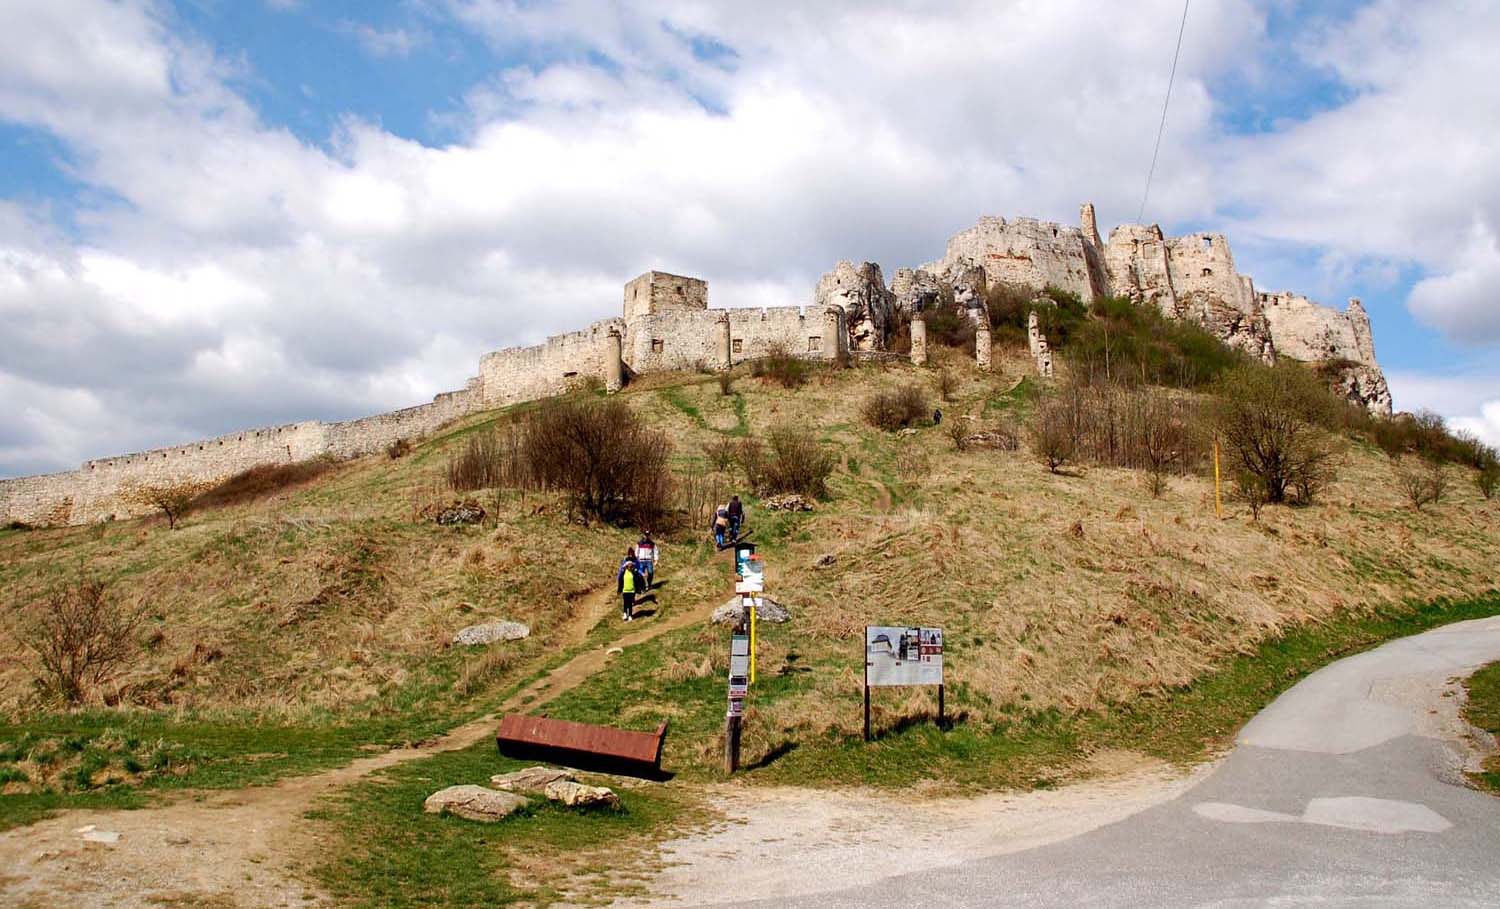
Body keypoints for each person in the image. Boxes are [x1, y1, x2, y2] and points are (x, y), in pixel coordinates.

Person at [617, 548, 642, 622]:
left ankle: (630, 615)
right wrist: (619, 589)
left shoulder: (634, 572)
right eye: (628, 566)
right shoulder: (623, 572)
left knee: (630, 604)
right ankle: (625, 614)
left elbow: (637, 580)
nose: (630, 567)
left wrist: (638, 589)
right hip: (625, 590)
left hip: (632, 590)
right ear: (626, 566)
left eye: (631, 566)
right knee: (625, 603)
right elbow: (621, 581)